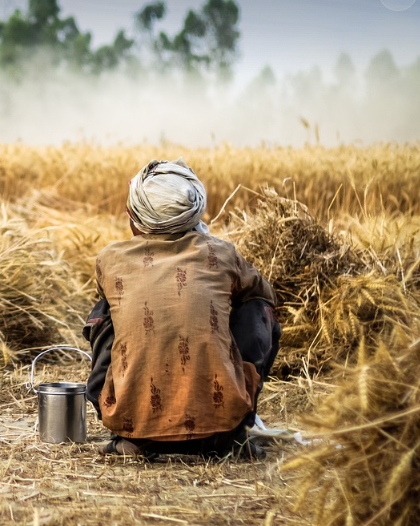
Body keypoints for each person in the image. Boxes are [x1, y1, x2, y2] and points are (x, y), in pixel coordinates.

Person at [83, 159, 280, 459]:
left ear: (134, 217)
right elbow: (266, 296)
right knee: (257, 308)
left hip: (133, 425)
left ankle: (130, 434)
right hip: (219, 430)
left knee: (106, 310)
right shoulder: (222, 254)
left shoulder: (110, 258)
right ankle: (234, 434)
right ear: (194, 214)